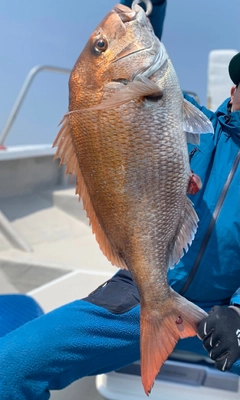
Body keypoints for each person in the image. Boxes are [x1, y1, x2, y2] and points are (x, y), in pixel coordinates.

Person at [0, 12, 240, 400]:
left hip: (224, 315)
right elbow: (127, 95)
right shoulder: (192, 121)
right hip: (142, 290)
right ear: (233, 92)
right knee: (9, 367)